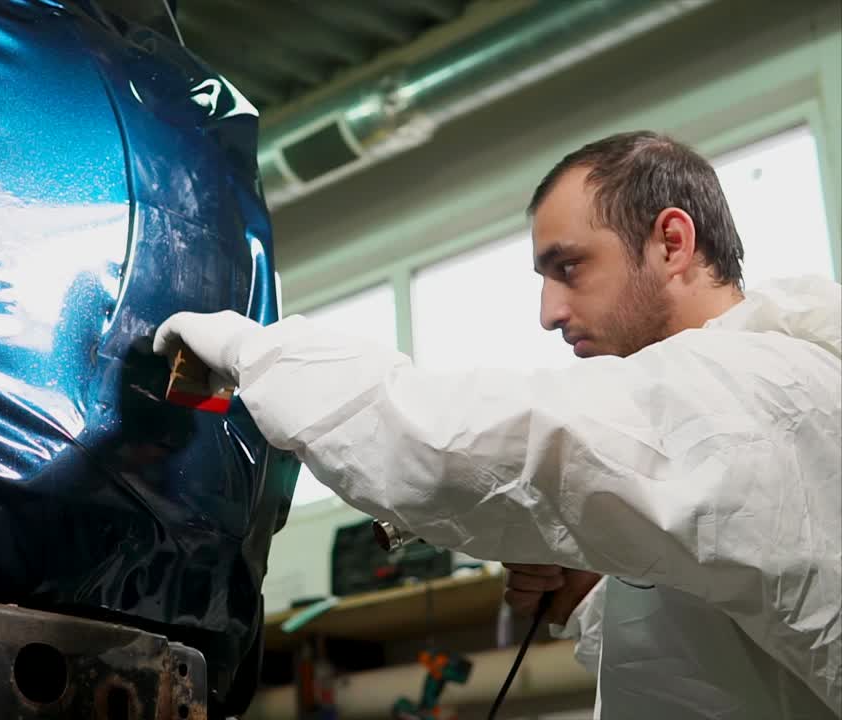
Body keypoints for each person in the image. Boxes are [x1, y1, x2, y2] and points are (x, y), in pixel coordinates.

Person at [153, 131, 840, 718]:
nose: (548, 312)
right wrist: (596, 592)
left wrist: (254, 353)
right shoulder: (732, 416)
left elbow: (476, 443)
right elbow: (739, 664)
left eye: (569, 267)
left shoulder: (758, 388)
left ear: (671, 242)